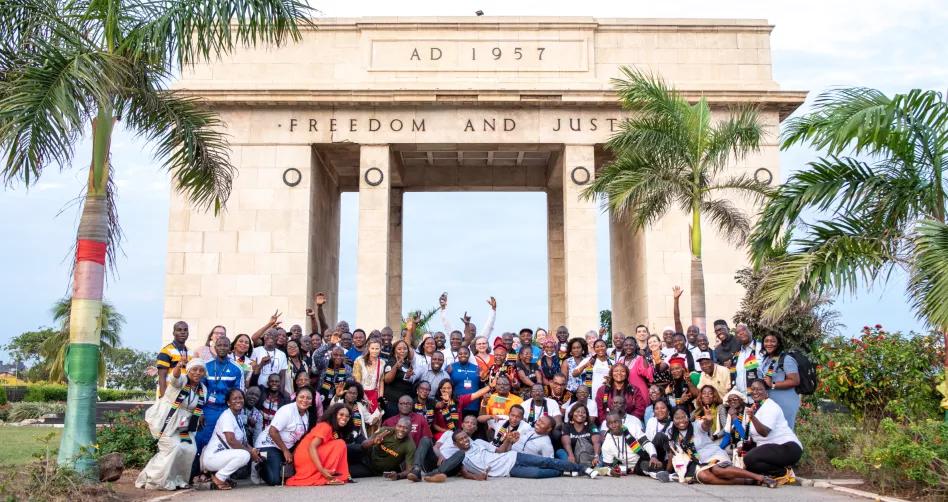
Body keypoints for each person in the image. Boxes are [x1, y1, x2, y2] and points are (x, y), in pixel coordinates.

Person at [137, 358, 206, 490]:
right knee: (172, 448)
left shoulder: (203, 389)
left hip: (184, 425)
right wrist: (179, 366)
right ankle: (154, 479)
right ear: (189, 370)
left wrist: (200, 415)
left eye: (201, 370)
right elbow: (175, 378)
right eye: (194, 369)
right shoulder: (182, 381)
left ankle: (178, 480)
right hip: (166, 420)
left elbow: (197, 406)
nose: (197, 372)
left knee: (190, 449)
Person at [666, 407, 776, 487]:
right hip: (697, 461)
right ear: (672, 419)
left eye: (683, 417)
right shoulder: (671, 432)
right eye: (677, 418)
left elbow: (705, 426)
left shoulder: (696, 425)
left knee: (717, 470)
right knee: (705, 477)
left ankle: (759, 477)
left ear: (688, 417)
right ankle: (747, 481)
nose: (681, 421)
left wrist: (708, 420)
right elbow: (674, 453)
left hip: (713, 454)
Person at [194, 336, 244, 482]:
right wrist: (200, 411)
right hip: (208, 410)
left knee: (224, 442)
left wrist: (237, 415)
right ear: (215, 347)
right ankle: (197, 473)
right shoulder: (206, 366)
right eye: (219, 345)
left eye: (225, 345)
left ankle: (219, 474)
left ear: (230, 348)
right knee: (201, 440)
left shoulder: (237, 368)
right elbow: (199, 390)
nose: (222, 347)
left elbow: (239, 394)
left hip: (226, 410)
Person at [452, 430, 599, 479]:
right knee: (538, 474)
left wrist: (508, 441)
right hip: (508, 471)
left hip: (512, 456)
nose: (466, 440)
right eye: (461, 439)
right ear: (455, 444)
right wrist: (479, 478)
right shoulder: (460, 458)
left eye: (466, 437)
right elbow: (465, 474)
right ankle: (565, 471)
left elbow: (500, 451)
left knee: (546, 461)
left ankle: (582, 468)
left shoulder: (477, 441)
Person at [742, 379, 803, 485]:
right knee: (750, 465)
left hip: (788, 447)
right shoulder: (755, 407)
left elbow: (764, 432)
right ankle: (779, 472)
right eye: (753, 389)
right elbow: (754, 437)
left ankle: (783, 472)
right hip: (771, 449)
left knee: (749, 458)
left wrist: (752, 418)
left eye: (759, 389)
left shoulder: (771, 406)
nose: (755, 392)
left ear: (766, 391)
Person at [254, 388, 317, 486]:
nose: (305, 400)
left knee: (289, 475)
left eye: (308, 398)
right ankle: (259, 465)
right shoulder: (287, 410)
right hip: (269, 444)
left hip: (286, 447)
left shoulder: (307, 415)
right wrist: (285, 451)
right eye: (302, 397)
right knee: (275, 480)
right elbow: (273, 431)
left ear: (312, 401)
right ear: (296, 397)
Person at [201, 389, 261, 490]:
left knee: (247, 453)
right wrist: (250, 453)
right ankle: (219, 478)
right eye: (234, 399)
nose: (238, 401)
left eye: (240, 398)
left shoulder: (238, 417)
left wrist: (254, 451)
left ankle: (221, 477)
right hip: (212, 458)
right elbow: (231, 441)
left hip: (221, 456)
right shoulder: (227, 416)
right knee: (245, 455)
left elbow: (244, 442)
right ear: (228, 403)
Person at [286, 403, 352, 486]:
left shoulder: (333, 428)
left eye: (347, 416)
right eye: (341, 414)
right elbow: (312, 446)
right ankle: (327, 476)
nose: (344, 418)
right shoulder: (326, 426)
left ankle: (330, 475)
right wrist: (322, 470)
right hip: (306, 456)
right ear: (334, 415)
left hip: (308, 456)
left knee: (339, 444)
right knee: (340, 444)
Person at [349, 418, 417, 479]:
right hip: (366, 456)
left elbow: (409, 470)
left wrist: (398, 475)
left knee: (346, 472)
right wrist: (373, 441)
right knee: (349, 448)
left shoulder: (410, 445)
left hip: (373, 470)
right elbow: (363, 445)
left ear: (410, 430)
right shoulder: (385, 431)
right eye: (399, 426)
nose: (401, 430)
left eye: (405, 428)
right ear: (396, 426)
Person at [601, 411, 662, 477]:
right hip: (636, 466)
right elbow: (607, 466)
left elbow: (646, 443)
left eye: (616, 422)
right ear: (607, 425)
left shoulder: (633, 428)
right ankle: (659, 471)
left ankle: (663, 467)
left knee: (660, 436)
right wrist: (611, 472)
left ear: (621, 422)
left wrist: (653, 456)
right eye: (610, 423)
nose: (613, 425)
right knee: (644, 465)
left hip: (647, 455)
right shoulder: (607, 443)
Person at [760, 333, 801, 429]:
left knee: (784, 432)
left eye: (773, 341)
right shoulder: (766, 359)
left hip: (785, 403)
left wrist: (772, 384)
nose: (769, 344)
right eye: (766, 341)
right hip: (770, 402)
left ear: (778, 344)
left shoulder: (786, 359)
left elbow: (795, 381)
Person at [156, 321, 191, 398]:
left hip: (184, 395)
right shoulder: (166, 351)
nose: (183, 332)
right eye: (179, 330)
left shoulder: (190, 352)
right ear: (174, 333)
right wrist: (163, 397)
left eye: (185, 330)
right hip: (169, 395)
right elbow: (162, 376)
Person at [382, 340, 416, 418]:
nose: (402, 351)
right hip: (392, 404)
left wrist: (407, 376)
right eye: (399, 349)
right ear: (394, 351)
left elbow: (403, 379)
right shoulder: (391, 362)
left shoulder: (407, 364)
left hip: (405, 404)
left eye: (405, 349)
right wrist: (396, 367)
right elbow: (387, 380)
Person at [447, 346, 482, 415]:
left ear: (469, 355)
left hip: (474, 405)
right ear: (457, 355)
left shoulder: (476, 368)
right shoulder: (451, 367)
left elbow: (481, 384)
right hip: (456, 404)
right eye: (460, 353)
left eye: (465, 353)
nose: (463, 355)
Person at [352, 339, 384, 412]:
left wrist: (380, 398)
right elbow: (357, 381)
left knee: (375, 418)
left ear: (380, 349)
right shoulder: (359, 360)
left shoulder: (382, 363)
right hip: (360, 393)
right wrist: (365, 398)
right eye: (372, 348)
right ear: (368, 348)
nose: (374, 351)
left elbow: (381, 381)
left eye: (377, 348)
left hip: (375, 394)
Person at [316, 344, 352, 410]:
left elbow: (349, 386)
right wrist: (330, 344)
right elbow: (317, 356)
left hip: (338, 401)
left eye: (341, 355)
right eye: (335, 355)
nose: (338, 357)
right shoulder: (324, 364)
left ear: (344, 356)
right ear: (331, 355)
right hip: (321, 400)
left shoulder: (348, 369)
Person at [733, 323, 762, 397]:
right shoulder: (737, 354)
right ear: (736, 338)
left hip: (759, 397)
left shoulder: (761, 348)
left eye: (743, 330)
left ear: (750, 332)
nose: (741, 333)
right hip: (742, 398)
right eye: (738, 333)